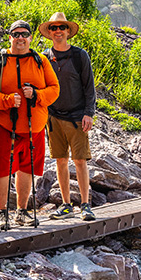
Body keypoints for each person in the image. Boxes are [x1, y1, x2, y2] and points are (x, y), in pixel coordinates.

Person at [0, 20, 60, 226]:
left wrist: (36, 95)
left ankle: (21, 211)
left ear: (31, 37)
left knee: (27, 168)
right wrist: (6, 101)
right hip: (4, 124)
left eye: (24, 34)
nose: (20, 38)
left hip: (35, 126)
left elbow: (54, 88)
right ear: (10, 37)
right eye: (16, 34)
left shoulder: (40, 60)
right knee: (1, 168)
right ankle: (3, 212)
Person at [40, 12, 97, 221]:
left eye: (61, 27)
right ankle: (66, 205)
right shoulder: (45, 57)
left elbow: (89, 86)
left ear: (67, 31)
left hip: (76, 116)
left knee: (80, 160)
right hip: (53, 117)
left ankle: (85, 204)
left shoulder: (79, 56)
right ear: (50, 32)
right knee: (60, 160)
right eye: (54, 28)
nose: (58, 31)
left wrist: (88, 113)